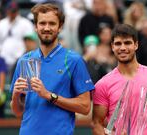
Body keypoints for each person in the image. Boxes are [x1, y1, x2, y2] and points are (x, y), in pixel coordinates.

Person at [10, 3, 94, 135]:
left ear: (60, 27)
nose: (46, 28)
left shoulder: (73, 60)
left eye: (52, 23)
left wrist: (48, 95)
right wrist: (15, 96)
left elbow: (85, 107)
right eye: (42, 23)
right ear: (36, 27)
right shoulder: (26, 60)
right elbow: (18, 111)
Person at [92, 24, 147, 135]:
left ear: (136, 45)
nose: (122, 48)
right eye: (118, 44)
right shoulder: (102, 84)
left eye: (127, 43)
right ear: (112, 47)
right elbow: (97, 124)